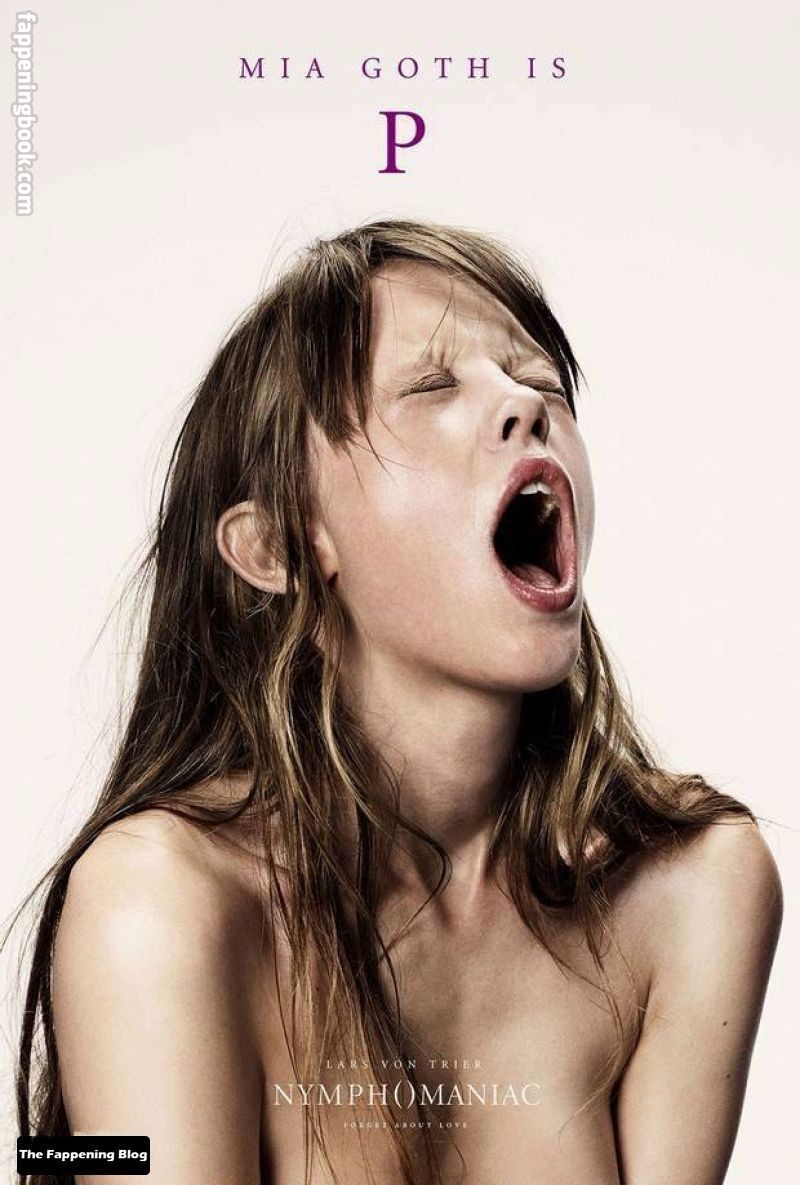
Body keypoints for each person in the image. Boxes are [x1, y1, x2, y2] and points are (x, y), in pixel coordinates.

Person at [17, 219, 783, 1185]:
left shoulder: (696, 888)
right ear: (279, 545)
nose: (524, 406)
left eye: (542, 383)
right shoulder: (156, 900)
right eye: (429, 386)